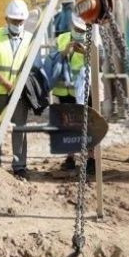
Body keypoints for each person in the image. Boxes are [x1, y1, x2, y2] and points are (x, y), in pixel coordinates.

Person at [0, 0, 32, 179]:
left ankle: (19, 166)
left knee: (20, 128)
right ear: (6, 19)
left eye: (20, 21)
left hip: (19, 94)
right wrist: (5, 82)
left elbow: (32, 66)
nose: (18, 24)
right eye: (14, 21)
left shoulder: (29, 39)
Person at [51, 13, 96, 173]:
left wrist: (86, 53)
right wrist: (65, 52)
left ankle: (91, 158)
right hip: (65, 92)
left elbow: (101, 62)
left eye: (82, 30)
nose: (79, 32)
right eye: (77, 29)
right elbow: (52, 59)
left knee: (88, 125)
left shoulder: (93, 39)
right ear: (72, 26)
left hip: (86, 91)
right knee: (68, 125)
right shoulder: (62, 39)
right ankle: (70, 157)